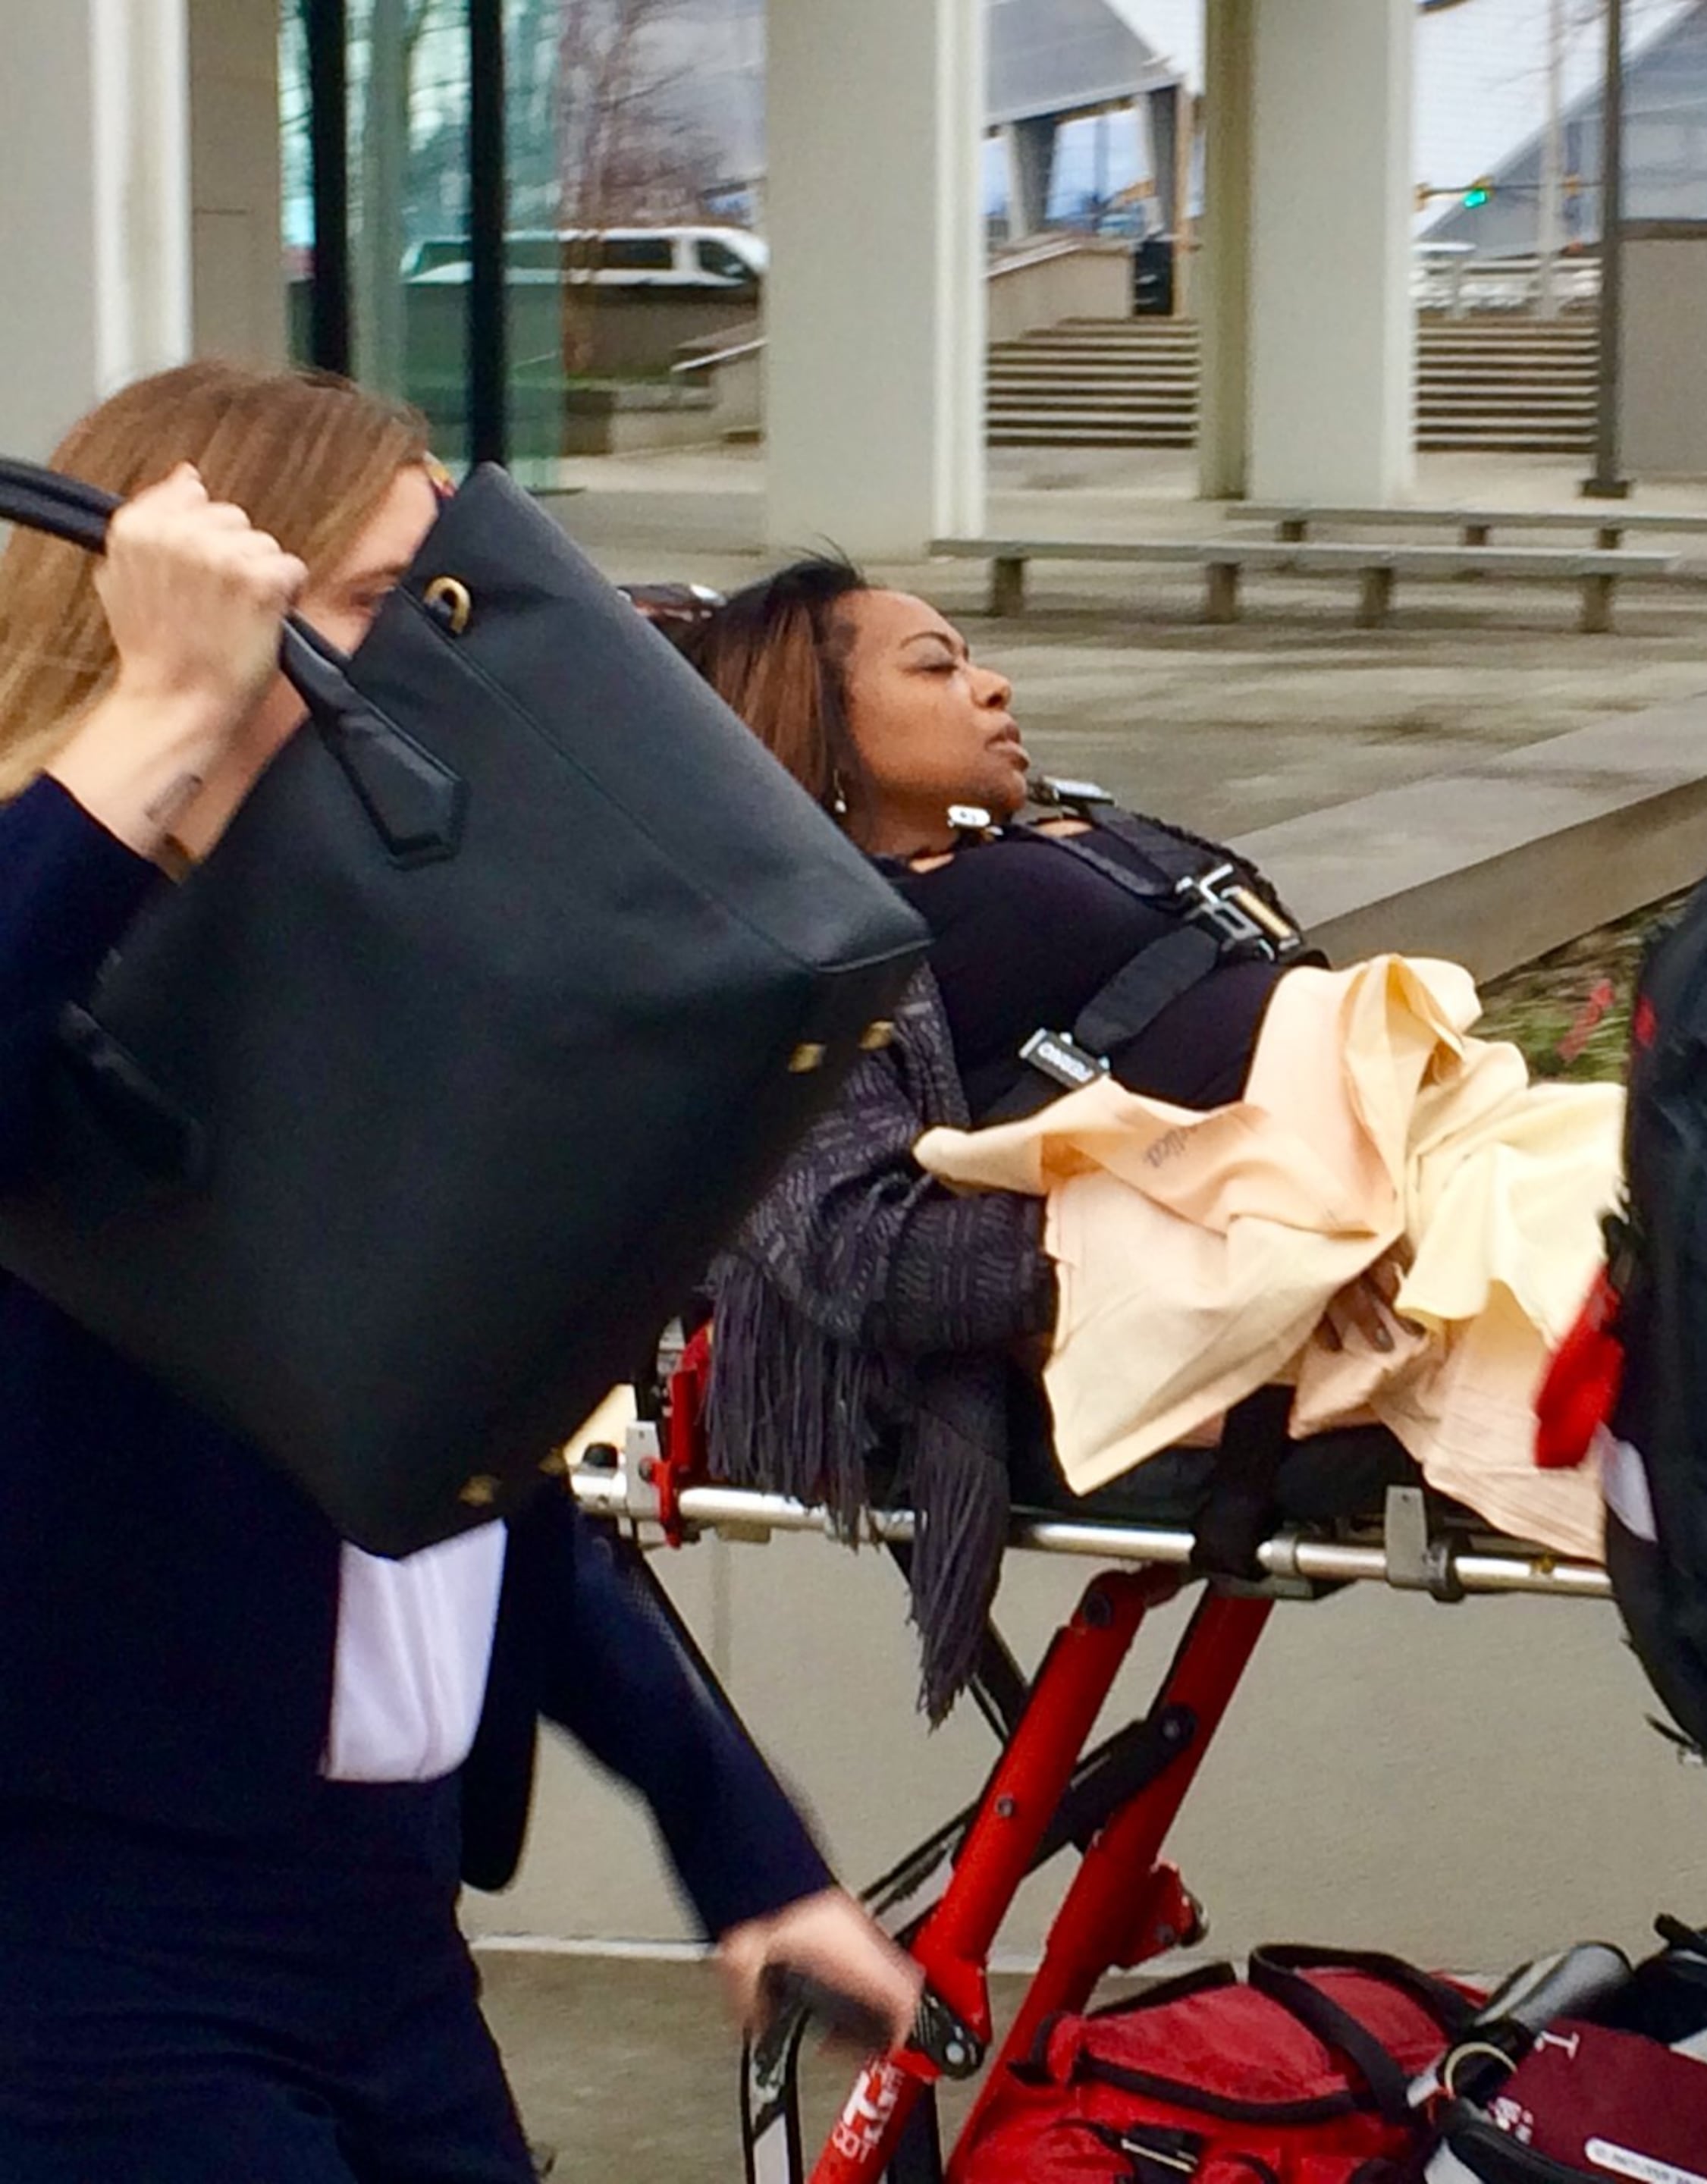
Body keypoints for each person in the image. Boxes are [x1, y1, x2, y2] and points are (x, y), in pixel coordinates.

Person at [0, 362, 919, 2182]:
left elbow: (476, 1488)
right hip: (91, 1955)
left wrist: (745, 1851)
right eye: (365, 607)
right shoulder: (67, 969)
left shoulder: (349, 986)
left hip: (383, 1938)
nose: (431, 672)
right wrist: (164, 705)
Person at [676, 558, 1350, 1721]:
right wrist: (1179, 1244)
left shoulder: (1045, 833)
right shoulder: (803, 958)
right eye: (935, 667)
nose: (992, 686)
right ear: (821, 726)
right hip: (1272, 1268)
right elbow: (855, 1252)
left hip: (1375, 1163)